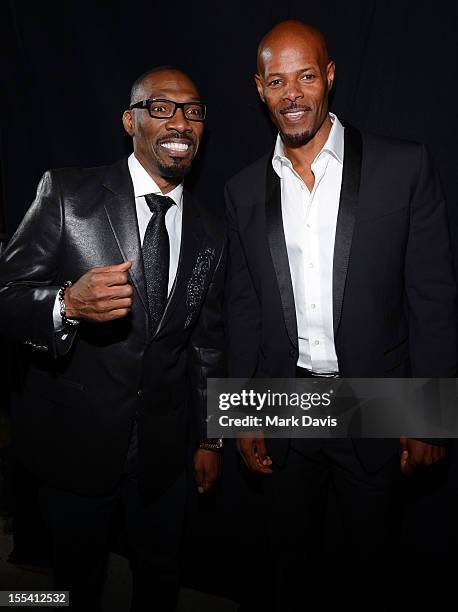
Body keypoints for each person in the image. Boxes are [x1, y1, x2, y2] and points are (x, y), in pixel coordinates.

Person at [224, 20, 456, 610]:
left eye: (306, 76)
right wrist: (238, 412)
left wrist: (428, 415)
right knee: (289, 567)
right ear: (259, 88)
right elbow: (244, 305)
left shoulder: (404, 167)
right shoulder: (242, 190)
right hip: (285, 403)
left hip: (375, 400)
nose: (292, 94)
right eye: (277, 81)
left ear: (329, 77)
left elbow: (432, 296)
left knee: (373, 573)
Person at [0, 66, 225, 611]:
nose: (180, 121)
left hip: (164, 452)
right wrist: (66, 305)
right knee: (77, 581)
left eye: (193, 111)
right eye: (162, 107)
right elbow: (7, 296)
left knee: (159, 574)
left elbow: (206, 343)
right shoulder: (67, 193)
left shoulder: (210, 228)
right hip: (75, 443)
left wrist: (210, 438)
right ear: (131, 120)